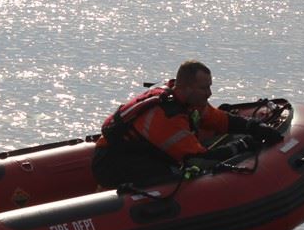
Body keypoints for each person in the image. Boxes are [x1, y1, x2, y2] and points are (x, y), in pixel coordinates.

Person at [91, 60, 282, 189]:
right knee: (179, 176)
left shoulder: (188, 103)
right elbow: (198, 159)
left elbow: (220, 120)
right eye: (204, 88)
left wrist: (255, 127)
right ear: (186, 87)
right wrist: (242, 146)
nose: (209, 93)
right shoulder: (168, 116)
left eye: (209, 86)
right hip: (115, 162)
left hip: (137, 154)